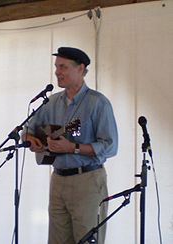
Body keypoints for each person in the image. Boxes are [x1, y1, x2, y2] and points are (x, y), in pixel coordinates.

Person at [22, 47, 118, 244]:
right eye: (56, 67)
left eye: (63, 67)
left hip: (87, 180)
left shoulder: (98, 103)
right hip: (58, 180)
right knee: (56, 240)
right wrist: (32, 140)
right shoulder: (51, 102)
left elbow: (110, 146)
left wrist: (73, 148)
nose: (57, 72)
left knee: (87, 238)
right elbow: (29, 128)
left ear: (81, 69)